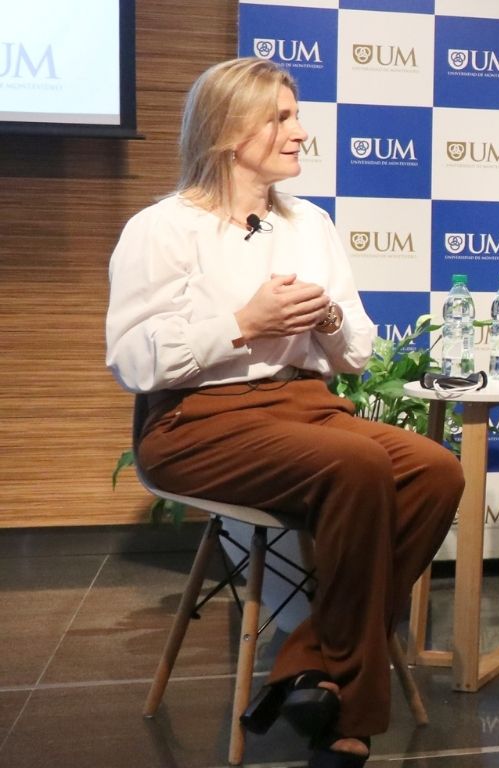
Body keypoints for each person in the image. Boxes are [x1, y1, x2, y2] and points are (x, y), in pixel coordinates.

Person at [105, 58, 462, 767]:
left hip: (302, 404)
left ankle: (307, 661)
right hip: (193, 420)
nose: (302, 132)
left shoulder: (312, 225)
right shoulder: (161, 228)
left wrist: (326, 316)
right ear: (229, 131)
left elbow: (357, 352)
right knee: (357, 461)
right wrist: (243, 321)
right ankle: (349, 718)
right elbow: (133, 361)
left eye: (297, 115)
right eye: (282, 117)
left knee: (436, 470)